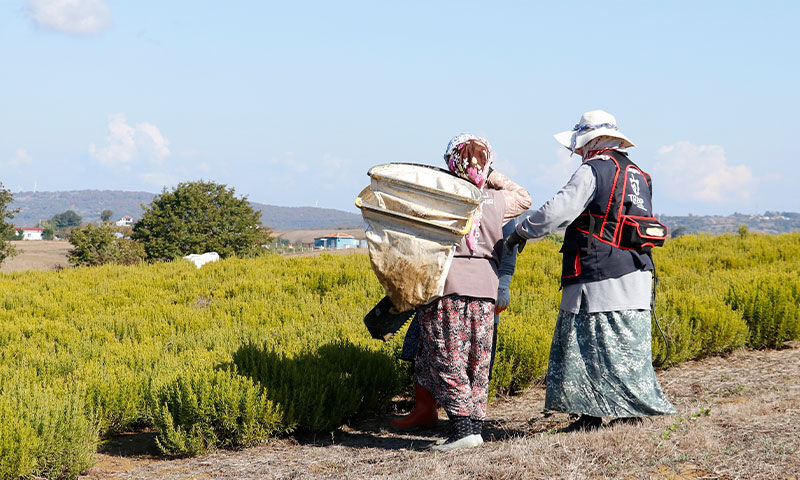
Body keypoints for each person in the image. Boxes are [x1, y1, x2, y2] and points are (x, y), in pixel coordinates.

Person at [506, 110, 675, 432]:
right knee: (627, 347)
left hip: (599, 273)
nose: (577, 153)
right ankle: (627, 414)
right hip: (637, 272)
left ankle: (590, 416)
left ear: (591, 141)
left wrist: (521, 232)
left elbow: (559, 209)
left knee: (585, 345)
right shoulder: (640, 174)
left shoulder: (593, 170)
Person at [404, 134, 530, 451]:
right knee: (478, 360)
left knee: (447, 358)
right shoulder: (497, 201)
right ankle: (473, 428)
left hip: (446, 286)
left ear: (451, 163)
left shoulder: (439, 197)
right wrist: (491, 175)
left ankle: (462, 431)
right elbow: (524, 197)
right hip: (486, 286)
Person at [392, 214, 522, 429]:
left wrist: (504, 282)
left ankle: (466, 424)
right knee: (425, 352)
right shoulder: (445, 197)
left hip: (480, 292)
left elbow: (508, 245)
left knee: (475, 359)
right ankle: (427, 411)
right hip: (438, 288)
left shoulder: (496, 203)